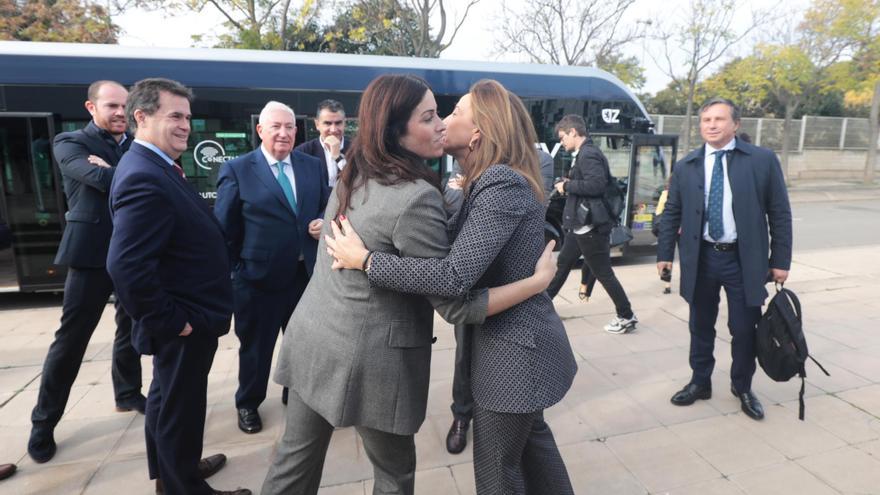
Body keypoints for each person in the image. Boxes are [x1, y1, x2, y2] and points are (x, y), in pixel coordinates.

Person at [261, 74, 554, 495]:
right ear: (396, 130)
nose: (440, 124)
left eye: (445, 114)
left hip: (314, 339)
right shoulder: (415, 196)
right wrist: (536, 282)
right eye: (430, 116)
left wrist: (366, 260)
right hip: (371, 364)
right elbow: (454, 301)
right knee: (394, 478)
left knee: (292, 465)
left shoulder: (355, 171)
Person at [106, 78, 249, 495]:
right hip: (183, 323)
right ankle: (183, 486)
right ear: (141, 117)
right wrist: (173, 322)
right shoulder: (142, 175)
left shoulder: (156, 165)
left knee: (167, 404)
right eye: (175, 116)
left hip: (188, 316)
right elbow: (126, 265)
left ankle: (173, 473)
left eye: (187, 116)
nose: (186, 124)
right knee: (179, 410)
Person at [28, 80, 145, 464]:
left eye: (125, 107)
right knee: (71, 340)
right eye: (111, 105)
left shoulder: (135, 144)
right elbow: (98, 179)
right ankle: (43, 424)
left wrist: (114, 171)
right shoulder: (70, 142)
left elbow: (154, 181)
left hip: (132, 253)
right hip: (90, 254)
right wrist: (121, 173)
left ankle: (127, 393)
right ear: (91, 107)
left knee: (130, 328)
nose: (119, 113)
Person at [657, 97, 792, 421]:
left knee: (744, 329)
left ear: (736, 124)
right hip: (701, 258)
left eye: (719, 119)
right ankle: (700, 382)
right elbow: (671, 212)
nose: (712, 125)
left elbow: (780, 213)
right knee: (699, 325)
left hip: (743, 261)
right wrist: (664, 255)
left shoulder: (761, 161)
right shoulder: (687, 165)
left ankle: (742, 386)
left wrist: (781, 260)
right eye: (706, 120)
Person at [214, 101, 330, 434]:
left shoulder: (311, 166)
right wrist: (238, 271)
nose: (283, 133)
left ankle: (294, 393)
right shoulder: (238, 169)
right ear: (260, 130)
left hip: (304, 277)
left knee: (303, 344)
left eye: (289, 126)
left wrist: (324, 220)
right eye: (276, 126)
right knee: (256, 348)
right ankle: (248, 403)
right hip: (257, 281)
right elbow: (225, 229)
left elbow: (327, 203)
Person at [550, 115, 637, 334]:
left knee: (604, 273)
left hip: (589, 227)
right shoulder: (585, 154)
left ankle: (626, 315)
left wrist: (567, 187)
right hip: (580, 225)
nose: (562, 143)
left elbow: (596, 185)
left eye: (562, 138)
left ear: (573, 132)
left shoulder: (588, 154)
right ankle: (541, 307)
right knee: (562, 264)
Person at [294, 99, 348, 187]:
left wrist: (338, 158)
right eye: (327, 123)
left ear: (344, 123)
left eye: (338, 123)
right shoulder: (303, 152)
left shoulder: (358, 150)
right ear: (317, 124)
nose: (333, 129)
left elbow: (360, 181)